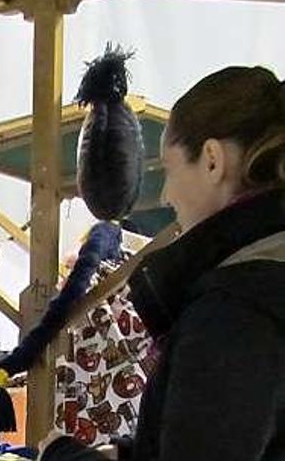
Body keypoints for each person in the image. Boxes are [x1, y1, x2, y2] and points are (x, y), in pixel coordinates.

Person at [40, 66, 285, 461]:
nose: (168, 194)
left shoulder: (235, 311)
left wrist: (63, 455)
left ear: (211, 161)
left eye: (169, 170)